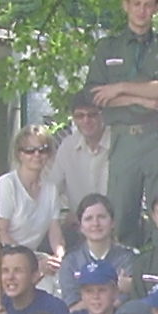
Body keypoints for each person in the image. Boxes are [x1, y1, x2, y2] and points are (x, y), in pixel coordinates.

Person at [87, 0, 158, 246]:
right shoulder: (108, 47)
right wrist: (140, 98)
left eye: (148, 5)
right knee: (121, 214)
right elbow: (96, 96)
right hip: (124, 138)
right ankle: (123, 269)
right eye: (136, 4)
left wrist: (119, 88)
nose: (142, 11)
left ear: (156, 8)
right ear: (126, 6)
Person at [0, 127, 68, 288]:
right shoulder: (6, 184)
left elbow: (55, 232)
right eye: (30, 150)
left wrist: (58, 257)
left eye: (43, 150)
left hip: (36, 259)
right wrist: (31, 262)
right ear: (19, 154)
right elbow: (1, 233)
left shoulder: (51, 189)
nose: (37, 155)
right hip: (6, 259)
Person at [58, 193, 136, 301]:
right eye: (88, 218)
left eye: (101, 217)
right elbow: (71, 305)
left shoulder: (128, 258)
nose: (95, 223)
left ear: (113, 222)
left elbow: (128, 301)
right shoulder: (70, 262)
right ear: (80, 226)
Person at [50, 91, 111, 223]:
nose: (86, 120)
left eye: (92, 114)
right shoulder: (67, 147)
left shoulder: (119, 144)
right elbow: (52, 189)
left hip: (116, 224)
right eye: (80, 116)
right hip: (80, 224)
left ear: (103, 115)